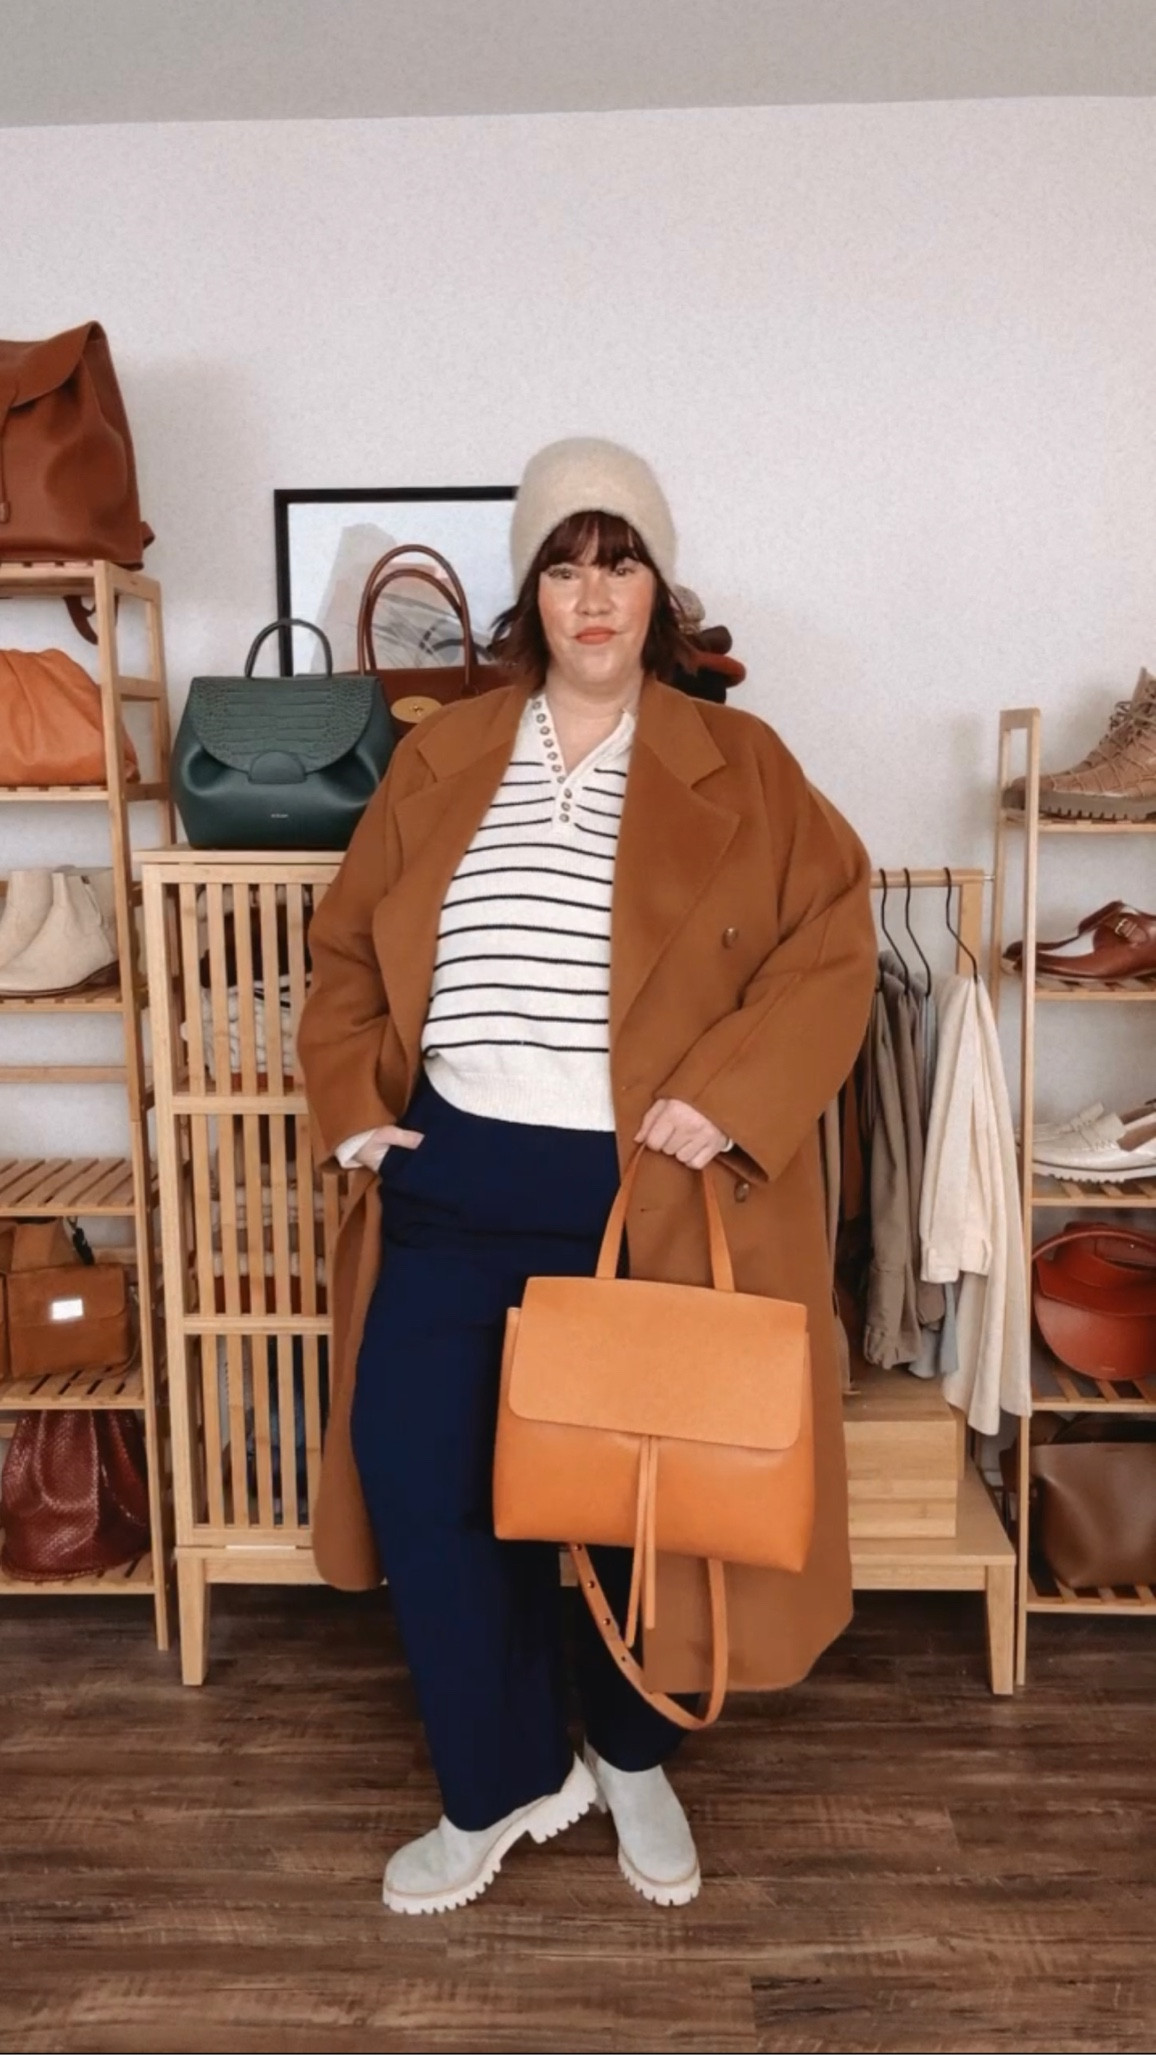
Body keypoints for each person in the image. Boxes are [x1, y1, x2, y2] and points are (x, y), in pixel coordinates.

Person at [297, 436, 877, 1917]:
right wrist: (356, 1113)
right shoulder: (441, 755)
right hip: (451, 1171)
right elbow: (346, 949)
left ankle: (629, 1751)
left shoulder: (743, 763)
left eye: (620, 562)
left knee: (642, 1498)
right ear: (532, 595)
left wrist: (726, 1099)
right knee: (421, 1469)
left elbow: (833, 943)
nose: (594, 593)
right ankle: (499, 1779)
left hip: (635, 1191)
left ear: (658, 589)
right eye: (564, 566)